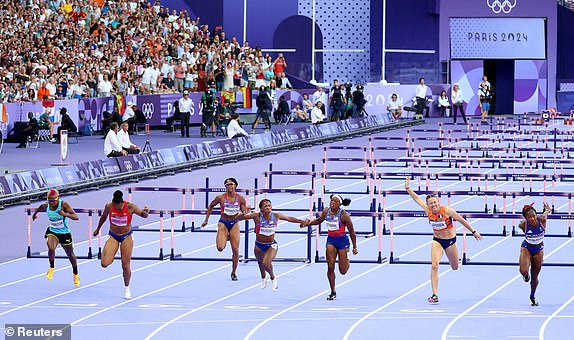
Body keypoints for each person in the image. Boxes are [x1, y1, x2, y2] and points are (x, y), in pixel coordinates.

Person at [405, 177, 482, 304]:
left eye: (435, 202)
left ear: (438, 202)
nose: (433, 205)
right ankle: (435, 295)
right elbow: (417, 198)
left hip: (450, 242)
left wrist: (474, 232)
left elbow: (462, 220)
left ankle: (452, 261)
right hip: (438, 241)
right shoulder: (428, 210)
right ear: (428, 205)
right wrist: (408, 188)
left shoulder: (447, 211)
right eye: (431, 203)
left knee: (455, 267)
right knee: (434, 265)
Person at [234, 199, 309, 290]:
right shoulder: (256, 216)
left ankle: (273, 278)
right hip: (259, 244)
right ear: (261, 209)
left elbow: (290, 219)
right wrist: (244, 212)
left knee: (266, 262)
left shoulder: (276, 215)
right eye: (265, 206)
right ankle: (263, 278)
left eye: (269, 205)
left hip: (271, 245)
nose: (268, 207)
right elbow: (238, 218)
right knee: (260, 263)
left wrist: (302, 222)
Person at [93, 190, 150, 299]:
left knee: (125, 266)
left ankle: (127, 287)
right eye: (116, 207)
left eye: (119, 208)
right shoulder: (109, 206)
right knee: (104, 263)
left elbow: (143, 215)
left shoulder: (130, 207)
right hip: (113, 235)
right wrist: (98, 229)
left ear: (122, 203)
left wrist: (146, 212)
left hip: (126, 236)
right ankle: (113, 252)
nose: (118, 209)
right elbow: (104, 217)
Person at [307, 194, 358, 300]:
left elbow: (352, 232)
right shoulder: (326, 211)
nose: (332, 203)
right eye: (331, 201)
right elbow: (319, 220)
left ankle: (346, 260)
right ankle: (332, 291)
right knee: (330, 267)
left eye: (335, 201)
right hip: (331, 241)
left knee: (343, 271)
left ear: (339, 204)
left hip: (343, 241)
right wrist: (309, 223)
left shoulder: (344, 215)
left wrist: (354, 247)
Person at [201, 178, 250, 281]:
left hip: (234, 224)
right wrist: (206, 220)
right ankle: (225, 236)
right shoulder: (220, 197)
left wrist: (246, 211)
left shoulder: (240, 198)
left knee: (236, 250)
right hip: (223, 223)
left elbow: (243, 210)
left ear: (235, 185)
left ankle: (233, 272)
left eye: (231, 184)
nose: (229, 186)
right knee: (220, 248)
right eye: (227, 185)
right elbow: (210, 206)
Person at [32, 189, 80, 286]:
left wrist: (65, 214)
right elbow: (41, 207)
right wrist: (34, 214)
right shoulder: (47, 205)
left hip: (64, 233)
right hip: (53, 231)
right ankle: (52, 267)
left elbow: (76, 217)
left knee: (70, 254)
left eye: (53, 201)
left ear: (58, 199)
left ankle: (75, 274)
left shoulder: (64, 205)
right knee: (51, 247)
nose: (51, 203)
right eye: (49, 201)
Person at [519, 202, 551, 306]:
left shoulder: (542, 220)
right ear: (526, 218)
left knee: (535, 276)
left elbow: (546, 212)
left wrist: (547, 210)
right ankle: (525, 275)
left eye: (533, 216)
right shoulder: (523, 224)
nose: (532, 219)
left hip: (538, 250)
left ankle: (532, 295)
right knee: (523, 270)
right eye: (529, 217)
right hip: (527, 248)